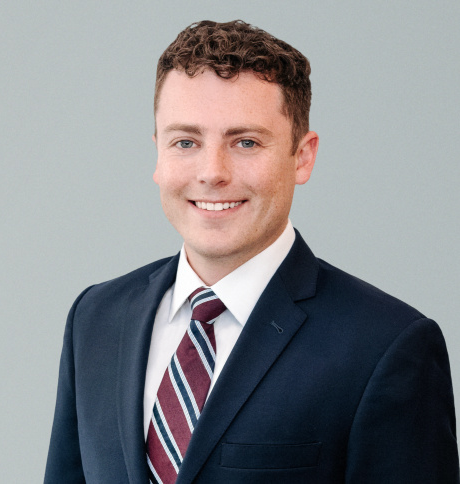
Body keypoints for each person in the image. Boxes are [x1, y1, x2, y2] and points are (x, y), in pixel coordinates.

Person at [45, 20, 459, 483]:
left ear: (302, 157)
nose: (212, 172)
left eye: (245, 142)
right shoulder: (95, 320)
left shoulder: (386, 346)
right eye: (186, 142)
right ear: (158, 153)